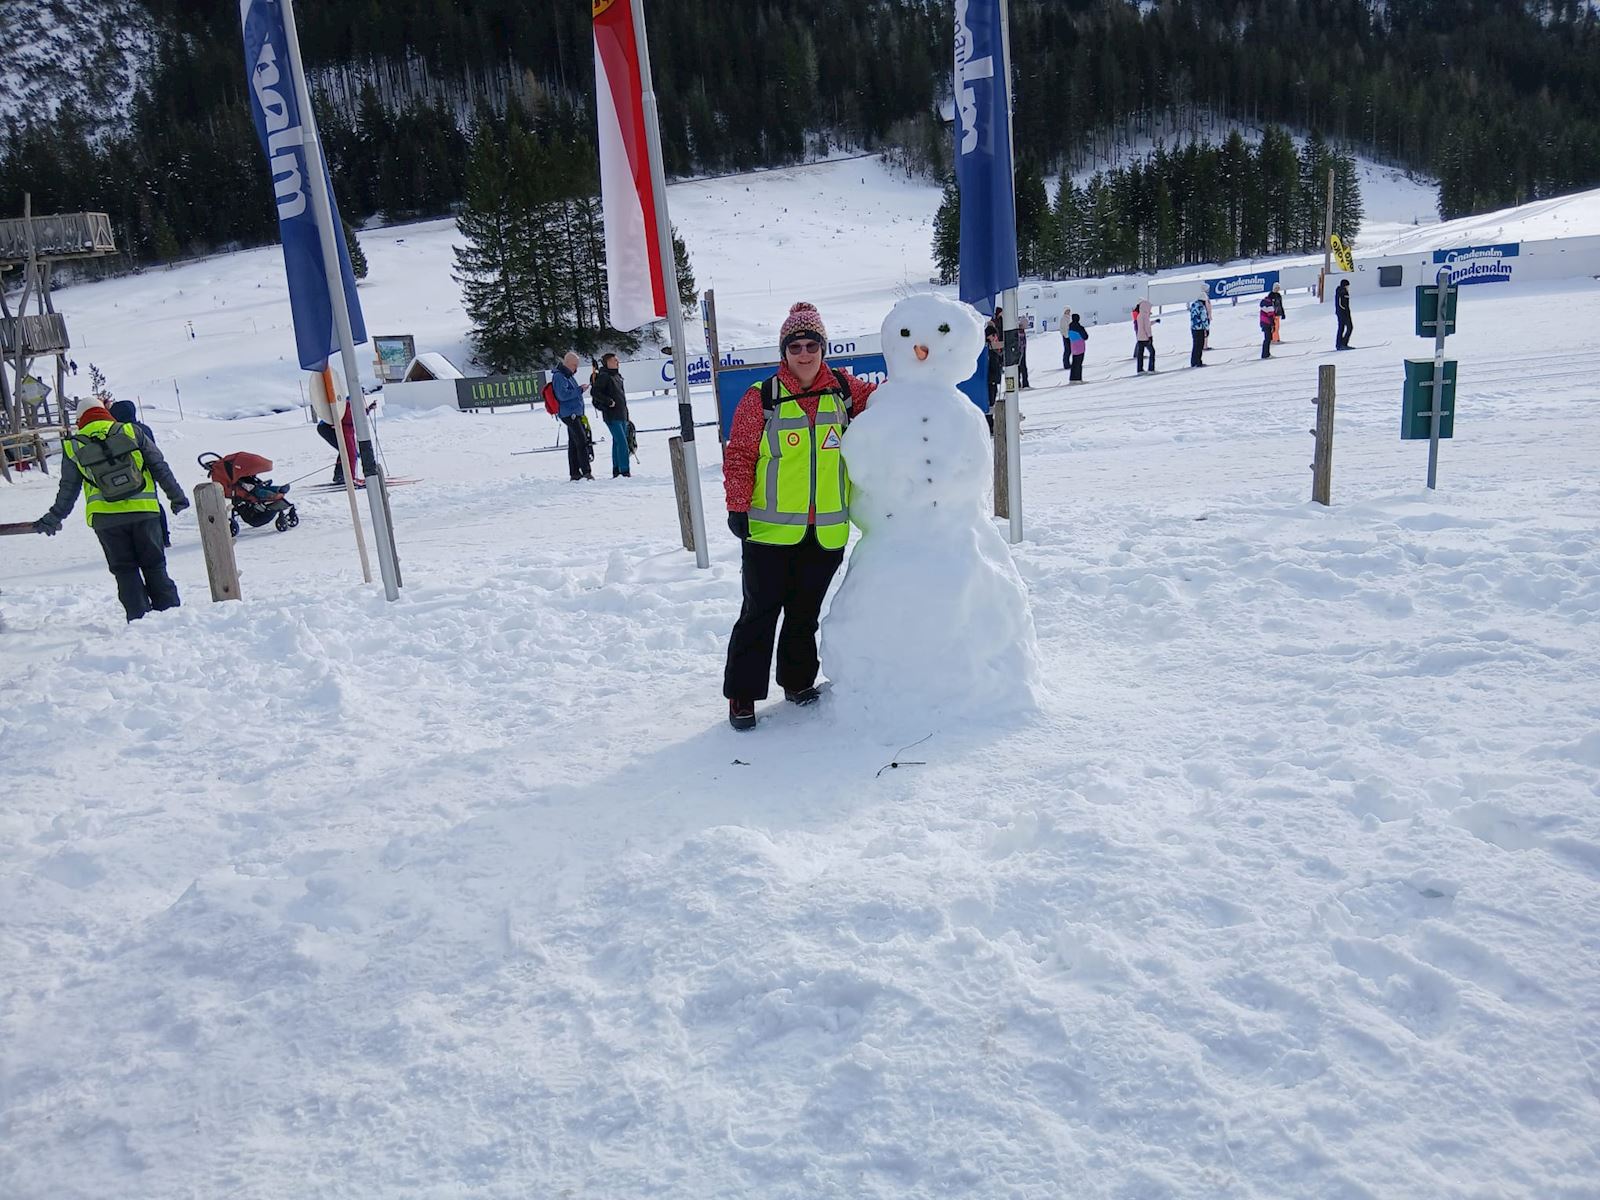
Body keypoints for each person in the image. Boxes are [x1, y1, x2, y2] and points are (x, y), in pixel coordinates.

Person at [721, 301, 875, 731]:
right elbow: (740, 454)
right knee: (759, 613)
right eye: (795, 346)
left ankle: (797, 681)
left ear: (823, 348)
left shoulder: (845, 391)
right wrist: (737, 505)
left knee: (804, 613)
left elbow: (890, 402)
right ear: (783, 351)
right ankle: (743, 695)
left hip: (826, 530)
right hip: (769, 532)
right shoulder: (761, 397)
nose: (804, 354)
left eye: (811, 345)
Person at [33, 403, 190, 622]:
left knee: (125, 571)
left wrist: (53, 517)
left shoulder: (73, 445)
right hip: (144, 512)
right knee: (155, 566)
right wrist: (177, 497)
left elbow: (69, 488)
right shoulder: (131, 431)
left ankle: (139, 621)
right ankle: (170, 618)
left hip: (106, 520)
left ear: (80, 419)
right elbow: (159, 466)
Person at [108, 400, 170, 547]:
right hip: (149, 471)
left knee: (133, 507)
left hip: (128, 474)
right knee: (153, 503)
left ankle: (140, 540)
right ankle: (164, 537)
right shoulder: (144, 428)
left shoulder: (120, 432)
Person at [551, 351, 594, 481]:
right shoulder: (560, 376)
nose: (576, 368)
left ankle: (575, 473)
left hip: (574, 413)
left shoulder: (567, 375)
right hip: (569, 414)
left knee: (574, 443)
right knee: (581, 441)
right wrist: (579, 390)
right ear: (567, 363)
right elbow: (562, 395)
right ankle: (586, 471)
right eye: (574, 365)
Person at [590, 352, 632, 478]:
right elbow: (595, 392)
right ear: (607, 363)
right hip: (611, 415)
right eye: (614, 360)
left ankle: (617, 468)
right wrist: (608, 402)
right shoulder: (604, 376)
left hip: (622, 413)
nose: (617, 362)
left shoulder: (617, 376)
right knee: (622, 442)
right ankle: (624, 470)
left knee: (617, 442)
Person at [985, 328, 1003, 431]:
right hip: (989, 379)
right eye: (994, 335)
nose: (995, 337)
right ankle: (989, 425)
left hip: (993, 379)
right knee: (990, 402)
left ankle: (991, 423)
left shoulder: (993, 347)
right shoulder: (987, 348)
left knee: (992, 401)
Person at [1188, 291, 1211, 368]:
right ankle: (1198, 362)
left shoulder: (1193, 305)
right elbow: (1204, 318)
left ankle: (1193, 362)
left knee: (1195, 345)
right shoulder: (1201, 307)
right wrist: (1207, 328)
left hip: (1193, 328)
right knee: (1200, 345)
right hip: (1200, 328)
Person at [1134, 299, 1156, 373]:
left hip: (1139, 338)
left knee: (1140, 354)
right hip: (1145, 338)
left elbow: (1143, 325)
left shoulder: (1139, 315)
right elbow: (1147, 327)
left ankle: (1140, 370)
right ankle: (1151, 369)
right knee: (1152, 352)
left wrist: (1154, 321)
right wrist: (1150, 336)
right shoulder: (1145, 316)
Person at [1067, 315, 1088, 382]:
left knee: (1074, 363)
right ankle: (1078, 378)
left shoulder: (1070, 327)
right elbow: (1085, 337)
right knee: (1079, 363)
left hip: (1073, 346)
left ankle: (1072, 378)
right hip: (1080, 346)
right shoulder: (1079, 327)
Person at [1334, 278, 1353, 350]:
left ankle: (1340, 344)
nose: (1348, 287)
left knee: (1342, 328)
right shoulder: (1342, 291)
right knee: (1349, 327)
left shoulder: (1343, 291)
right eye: (1347, 286)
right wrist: (1344, 310)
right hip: (1342, 313)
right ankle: (1342, 344)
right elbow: (1340, 303)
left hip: (1343, 312)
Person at [1259, 292, 1279, 358]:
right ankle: (1265, 354)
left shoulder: (1265, 302)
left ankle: (1266, 354)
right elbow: (1270, 315)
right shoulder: (1268, 304)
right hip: (1267, 323)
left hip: (1264, 322)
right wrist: (1273, 324)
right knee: (1267, 339)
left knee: (1267, 338)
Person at [1059, 305, 1073, 370]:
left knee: (1070, 350)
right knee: (1067, 350)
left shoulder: (1070, 317)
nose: (1068, 312)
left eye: (1069, 310)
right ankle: (1066, 364)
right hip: (1066, 336)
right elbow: (1063, 328)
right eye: (1067, 310)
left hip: (1071, 336)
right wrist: (1066, 335)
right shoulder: (1063, 318)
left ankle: (1068, 363)